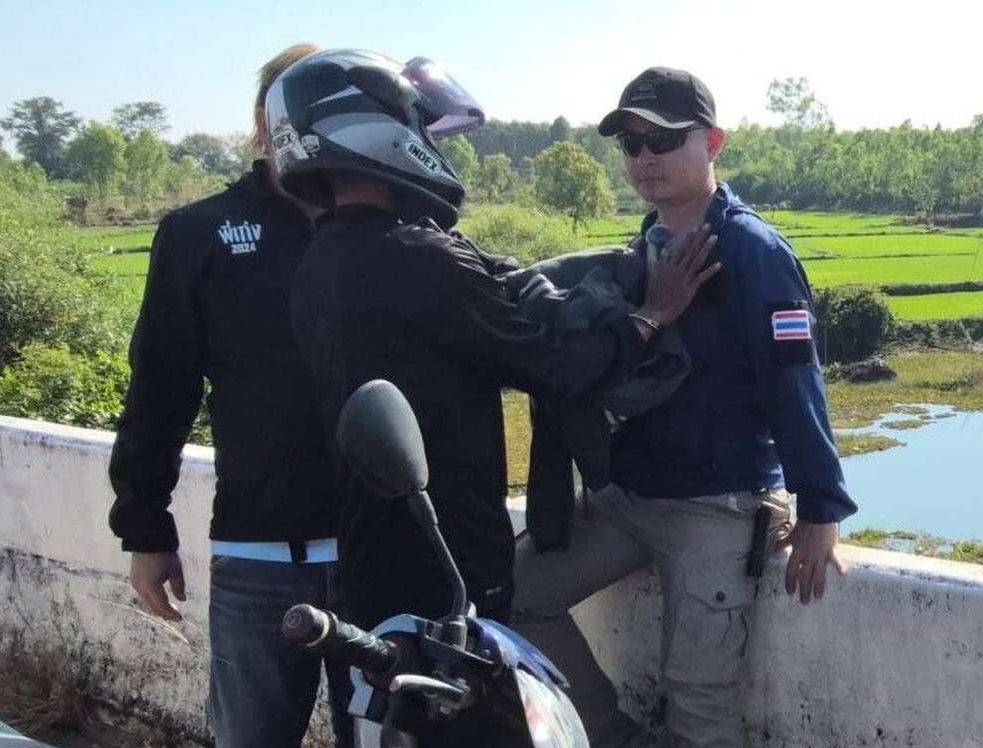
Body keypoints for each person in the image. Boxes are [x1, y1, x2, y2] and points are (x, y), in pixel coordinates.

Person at [273, 49, 717, 637]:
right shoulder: (423, 260)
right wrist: (652, 316)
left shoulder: (317, 263)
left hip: (368, 553)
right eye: (421, 129)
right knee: (478, 697)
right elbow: (560, 367)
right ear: (379, 132)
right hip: (448, 561)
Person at [510, 67, 858, 748]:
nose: (645, 158)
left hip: (716, 504)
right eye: (631, 144)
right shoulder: (646, 242)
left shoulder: (754, 252)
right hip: (628, 496)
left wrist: (821, 507)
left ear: (714, 142)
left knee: (699, 702)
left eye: (664, 141)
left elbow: (795, 382)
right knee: (513, 597)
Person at [107, 44, 352, 748]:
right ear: (265, 119)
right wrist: (145, 529)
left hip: (383, 550)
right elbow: (161, 388)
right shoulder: (202, 232)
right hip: (259, 553)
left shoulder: (383, 225)